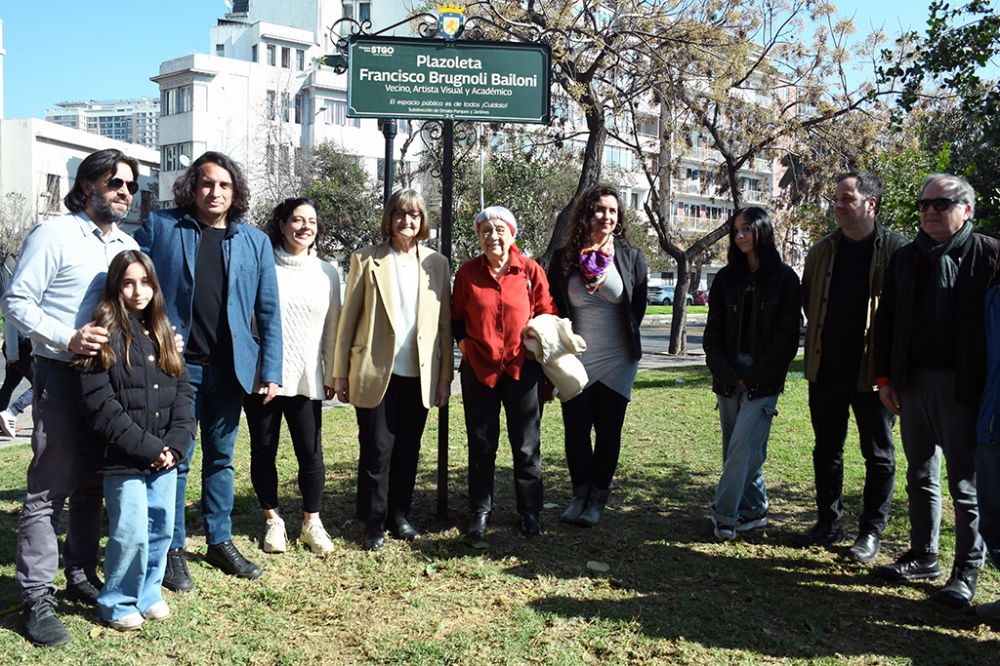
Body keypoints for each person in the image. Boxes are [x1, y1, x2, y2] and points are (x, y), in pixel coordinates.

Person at [0, 148, 141, 647]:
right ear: (86, 187)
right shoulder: (54, 234)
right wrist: (68, 337)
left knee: (92, 483)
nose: (125, 191)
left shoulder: (127, 243)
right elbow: (16, 301)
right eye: (114, 182)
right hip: (59, 374)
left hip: (109, 380)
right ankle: (37, 597)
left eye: (130, 185)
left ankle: (80, 573)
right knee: (48, 490)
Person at [137, 151, 282, 590]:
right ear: (192, 187)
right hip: (175, 367)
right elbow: (131, 289)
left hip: (230, 369)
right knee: (176, 459)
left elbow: (268, 310)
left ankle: (219, 540)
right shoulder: (161, 227)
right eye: (206, 183)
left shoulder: (254, 241)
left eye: (224, 185)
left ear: (234, 192)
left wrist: (270, 369)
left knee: (222, 458)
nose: (214, 192)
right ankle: (172, 548)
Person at [873, 173, 999, 607]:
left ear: (967, 209)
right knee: (920, 473)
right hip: (912, 383)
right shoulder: (906, 257)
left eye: (940, 204)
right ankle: (923, 555)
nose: (929, 211)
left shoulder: (989, 255)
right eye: (924, 205)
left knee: (966, 482)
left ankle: (966, 570)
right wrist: (885, 379)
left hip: (966, 387)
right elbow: (886, 320)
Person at [76, 251, 195, 631]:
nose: (137, 291)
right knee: (130, 533)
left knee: (160, 527)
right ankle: (117, 601)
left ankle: (148, 592)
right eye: (128, 282)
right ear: (115, 287)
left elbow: (183, 393)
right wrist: (148, 448)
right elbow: (101, 407)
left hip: (165, 456)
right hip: (123, 457)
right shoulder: (101, 337)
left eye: (145, 282)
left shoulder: (163, 333)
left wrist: (175, 445)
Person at [794, 172, 907, 561]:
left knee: (878, 453)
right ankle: (828, 522)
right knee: (826, 449)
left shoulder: (897, 251)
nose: (838, 205)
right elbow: (810, 301)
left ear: (870, 203)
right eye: (836, 199)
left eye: (847, 198)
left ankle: (871, 532)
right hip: (826, 368)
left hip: (874, 373)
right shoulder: (821, 251)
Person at [333, 189, 452, 551]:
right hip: (375, 372)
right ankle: (373, 523)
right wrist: (340, 372)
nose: (407, 221)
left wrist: (445, 377)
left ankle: (399, 515)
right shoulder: (366, 259)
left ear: (422, 221)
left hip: (420, 374)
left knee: (408, 449)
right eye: (400, 214)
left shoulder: (437, 263)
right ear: (390, 218)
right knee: (377, 450)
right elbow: (348, 320)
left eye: (414, 215)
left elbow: (444, 325)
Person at [452, 205, 557, 541]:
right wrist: (465, 344)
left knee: (526, 445)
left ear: (512, 234)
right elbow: (457, 317)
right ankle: (480, 510)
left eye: (499, 230)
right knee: (481, 444)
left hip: (521, 369)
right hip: (479, 370)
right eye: (486, 231)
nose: (492, 236)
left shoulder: (529, 270)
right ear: (478, 237)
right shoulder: (467, 273)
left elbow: (547, 313)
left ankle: (530, 511)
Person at [547, 185, 647, 527]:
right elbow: (555, 306)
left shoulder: (631, 258)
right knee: (576, 430)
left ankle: (597, 500)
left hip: (619, 359)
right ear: (587, 213)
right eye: (600, 209)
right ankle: (579, 494)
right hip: (576, 360)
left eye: (613, 211)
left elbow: (637, 309)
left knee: (608, 431)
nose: (607, 216)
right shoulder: (564, 258)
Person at [248, 198, 340, 555]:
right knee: (263, 449)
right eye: (298, 220)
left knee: (310, 452)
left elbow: (332, 329)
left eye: (312, 221)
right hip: (264, 378)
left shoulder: (327, 272)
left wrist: (332, 372)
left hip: (306, 377)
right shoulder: (263, 265)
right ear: (282, 224)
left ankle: (311, 522)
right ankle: (272, 520)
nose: (305, 227)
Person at [703, 207, 801, 540]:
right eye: (736, 231)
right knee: (737, 449)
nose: (741, 235)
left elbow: (786, 340)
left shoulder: (785, 279)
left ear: (763, 230)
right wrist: (728, 373)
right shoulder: (725, 278)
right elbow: (712, 334)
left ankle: (724, 516)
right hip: (728, 376)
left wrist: (754, 376)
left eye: (747, 229)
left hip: (764, 379)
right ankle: (755, 509)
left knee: (743, 448)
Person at [0, 317, 34, 438]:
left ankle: (2, 418)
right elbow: (11, 320)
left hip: (13, 345)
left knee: (9, 383)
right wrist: (12, 353)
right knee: (40, 385)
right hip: (21, 347)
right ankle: (11, 413)